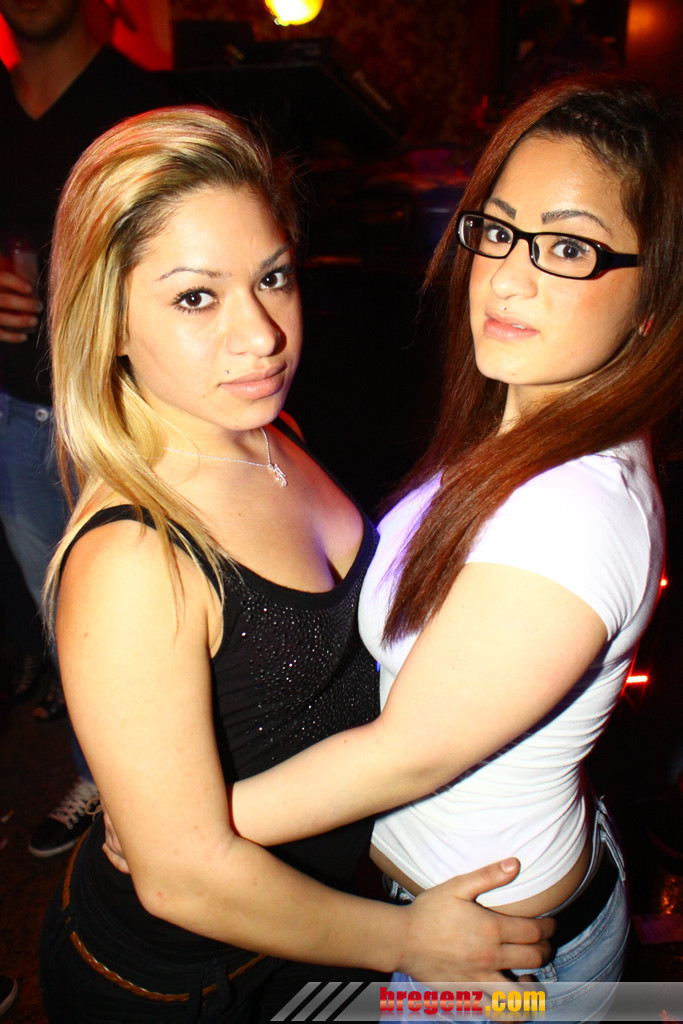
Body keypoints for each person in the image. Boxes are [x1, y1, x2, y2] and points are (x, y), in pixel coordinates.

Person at [38, 105, 553, 1023]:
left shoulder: (267, 431)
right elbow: (181, 877)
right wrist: (406, 941)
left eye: (272, 277)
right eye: (195, 298)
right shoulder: (134, 557)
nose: (262, 335)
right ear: (106, 321)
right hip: (186, 987)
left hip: (311, 927)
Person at [226, 75, 683, 1013]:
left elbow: (407, 755)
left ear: (654, 298)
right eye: (499, 230)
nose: (507, 277)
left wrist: (186, 832)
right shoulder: (531, 420)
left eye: (568, 247)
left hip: (488, 965)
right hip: (470, 908)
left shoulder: (573, 510)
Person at [0, 0, 177, 857]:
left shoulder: (142, 108)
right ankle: (101, 778)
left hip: (122, 412)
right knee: (65, 619)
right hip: (11, 413)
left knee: (152, 614)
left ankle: (173, 798)